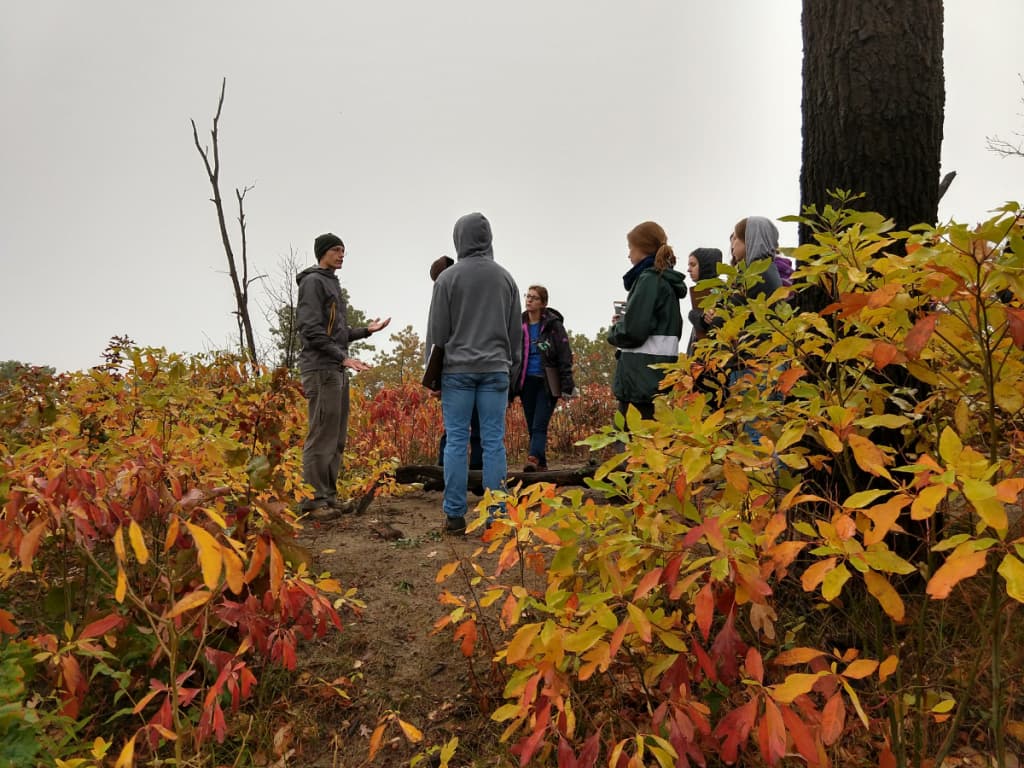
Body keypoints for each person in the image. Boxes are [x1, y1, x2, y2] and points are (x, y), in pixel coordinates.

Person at [426, 213, 522, 535]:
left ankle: (455, 516)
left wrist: (434, 376)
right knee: (494, 442)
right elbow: (514, 335)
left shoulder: (447, 279)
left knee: (456, 441)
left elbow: (437, 333)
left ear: (459, 238)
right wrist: (512, 373)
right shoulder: (506, 279)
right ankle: (497, 515)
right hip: (496, 370)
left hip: (457, 371)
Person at [296, 233, 390, 517]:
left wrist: (366, 331)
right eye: (337, 250)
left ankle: (328, 496)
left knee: (335, 436)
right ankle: (312, 502)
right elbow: (310, 330)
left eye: (343, 250)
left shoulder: (331, 282)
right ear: (323, 252)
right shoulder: (313, 282)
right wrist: (343, 357)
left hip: (334, 368)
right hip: (321, 368)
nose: (341, 255)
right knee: (321, 434)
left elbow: (336, 333)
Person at [607, 221, 687, 421]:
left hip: (639, 380)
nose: (629, 254)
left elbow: (634, 331)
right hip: (656, 377)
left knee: (629, 443)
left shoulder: (648, 279)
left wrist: (616, 330)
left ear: (641, 248)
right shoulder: (665, 280)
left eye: (630, 248)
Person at [429, 255, 483, 477]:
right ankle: (456, 471)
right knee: (464, 428)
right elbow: (436, 341)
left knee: (459, 428)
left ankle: (463, 471)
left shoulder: (461, 297)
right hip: (473, 369)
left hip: (461, 371)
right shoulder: (475, 294)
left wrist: (435, 378)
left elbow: (437, 340)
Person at [514, 285, 575, 472]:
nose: (529, 300)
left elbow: (565, 354)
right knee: (532, 425)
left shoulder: (553, 325)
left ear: (544, 303)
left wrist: (567, 384)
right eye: (528, 296)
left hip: (547, 382)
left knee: (539, 423)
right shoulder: (519, 323)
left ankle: (533, 459)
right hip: (526, 381)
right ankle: (542, 466)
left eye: (534, 297)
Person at [685, 248, 724, 355]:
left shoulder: (722, 292)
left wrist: (697, 316)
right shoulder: (700, 291)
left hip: (712, 356)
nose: (688, 269)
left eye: (693, 265)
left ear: (705, 266)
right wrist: (697, 317)